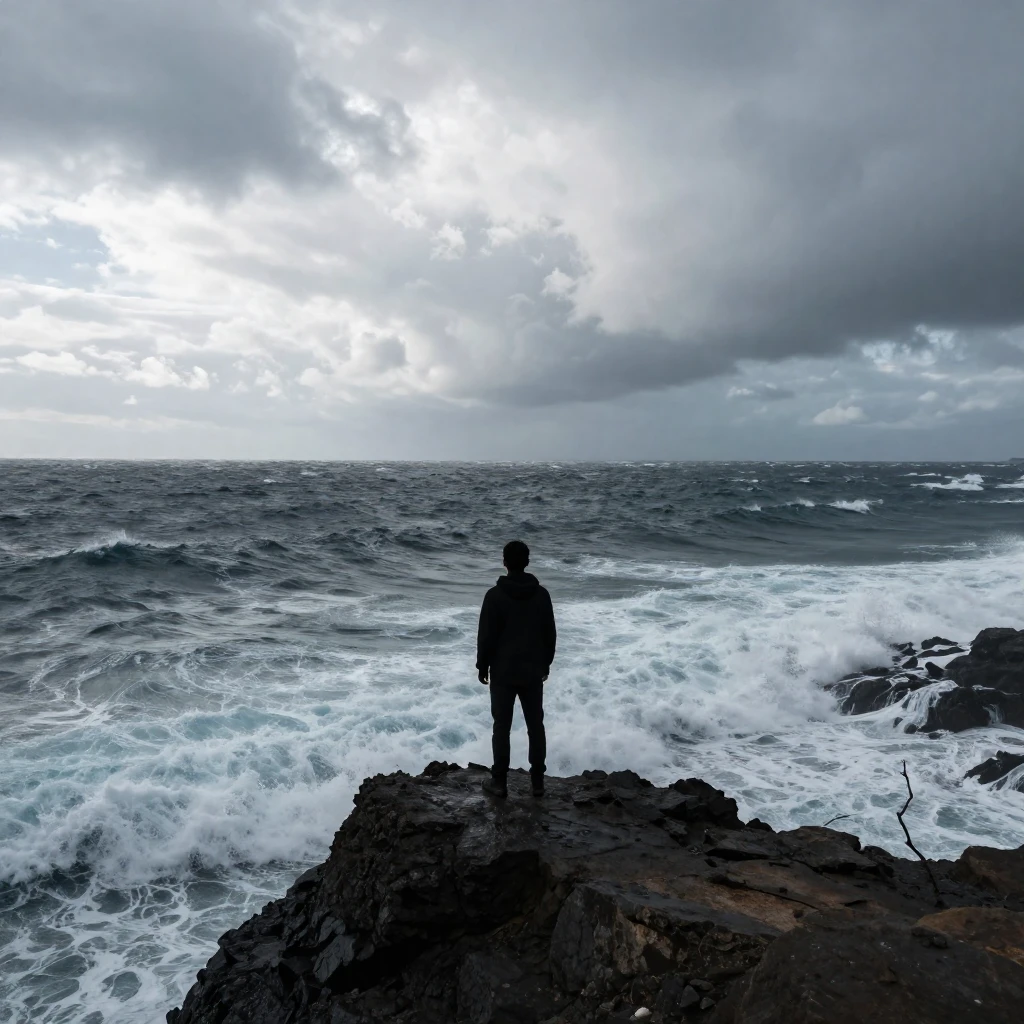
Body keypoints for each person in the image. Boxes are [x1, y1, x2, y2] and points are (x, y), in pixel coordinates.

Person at [476, 540, 557, 798]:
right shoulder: (541, 595)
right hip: (533, 670)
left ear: (504, 562)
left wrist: (482, 665)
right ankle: (538, 783)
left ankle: (499, 782)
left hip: (503, 671)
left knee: (502, 725)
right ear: (527, 562)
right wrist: (546, 663)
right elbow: (550, 634)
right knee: (536, 725)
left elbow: (486, 636)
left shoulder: (494, 596)